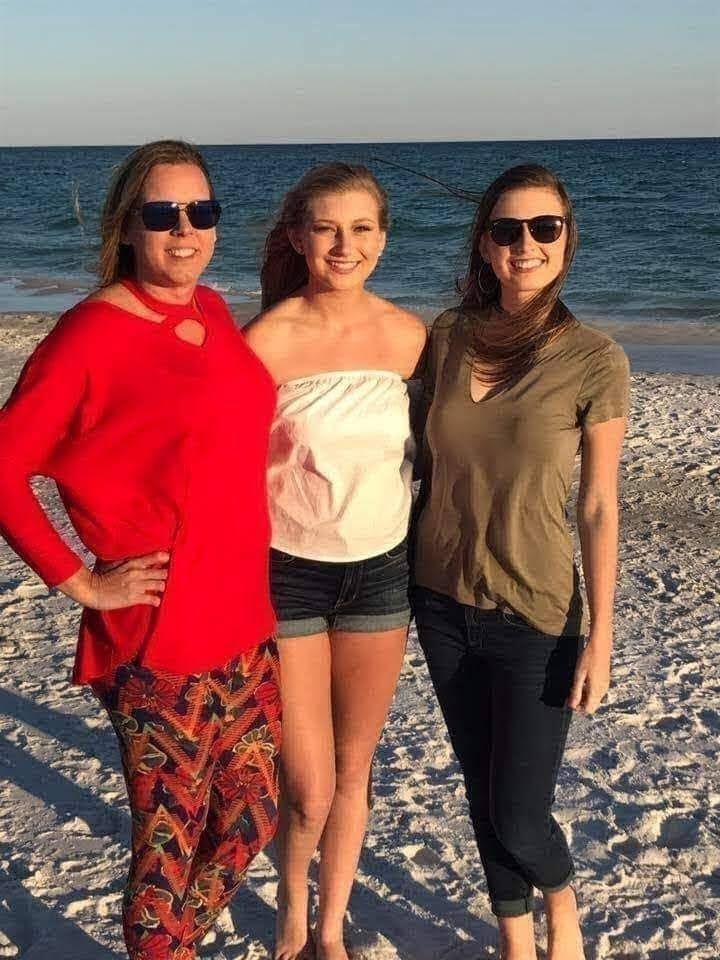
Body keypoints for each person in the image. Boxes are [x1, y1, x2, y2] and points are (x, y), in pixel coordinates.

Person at [0, 140, 281, 960]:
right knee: (168, 845)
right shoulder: (90, 334)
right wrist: (79, 581)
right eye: (162, 214)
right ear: (128, 226)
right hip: (158, 639)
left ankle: (173, 944)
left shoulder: (216, 314)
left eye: (203, 211)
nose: (185, 230)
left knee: (256, 810)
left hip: (243, 618)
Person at [411, 164, 629, 960]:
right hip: (438, 602)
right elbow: (407, 456)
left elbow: (599, 504)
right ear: (485, 244)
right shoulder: (445, 336)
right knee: (479, 790)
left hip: (538, 614)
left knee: (519, 813)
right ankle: (514, 937)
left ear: (568, 241)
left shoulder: (594, 358)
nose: (525, 245)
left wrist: (602, 636)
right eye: (507, 230)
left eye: (544, 228)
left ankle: (561, 908)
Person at [244, 162, 427, 960]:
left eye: (361, 229)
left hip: (382, 573)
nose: (343, 245)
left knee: (356, 772)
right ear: (297, 237)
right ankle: (290, 908)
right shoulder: (267, 340)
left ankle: (328, 929)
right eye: (326, 228)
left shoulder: (411, 337)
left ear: (383, 239)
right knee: (309, 787)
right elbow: (223, 467)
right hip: (289, 573)